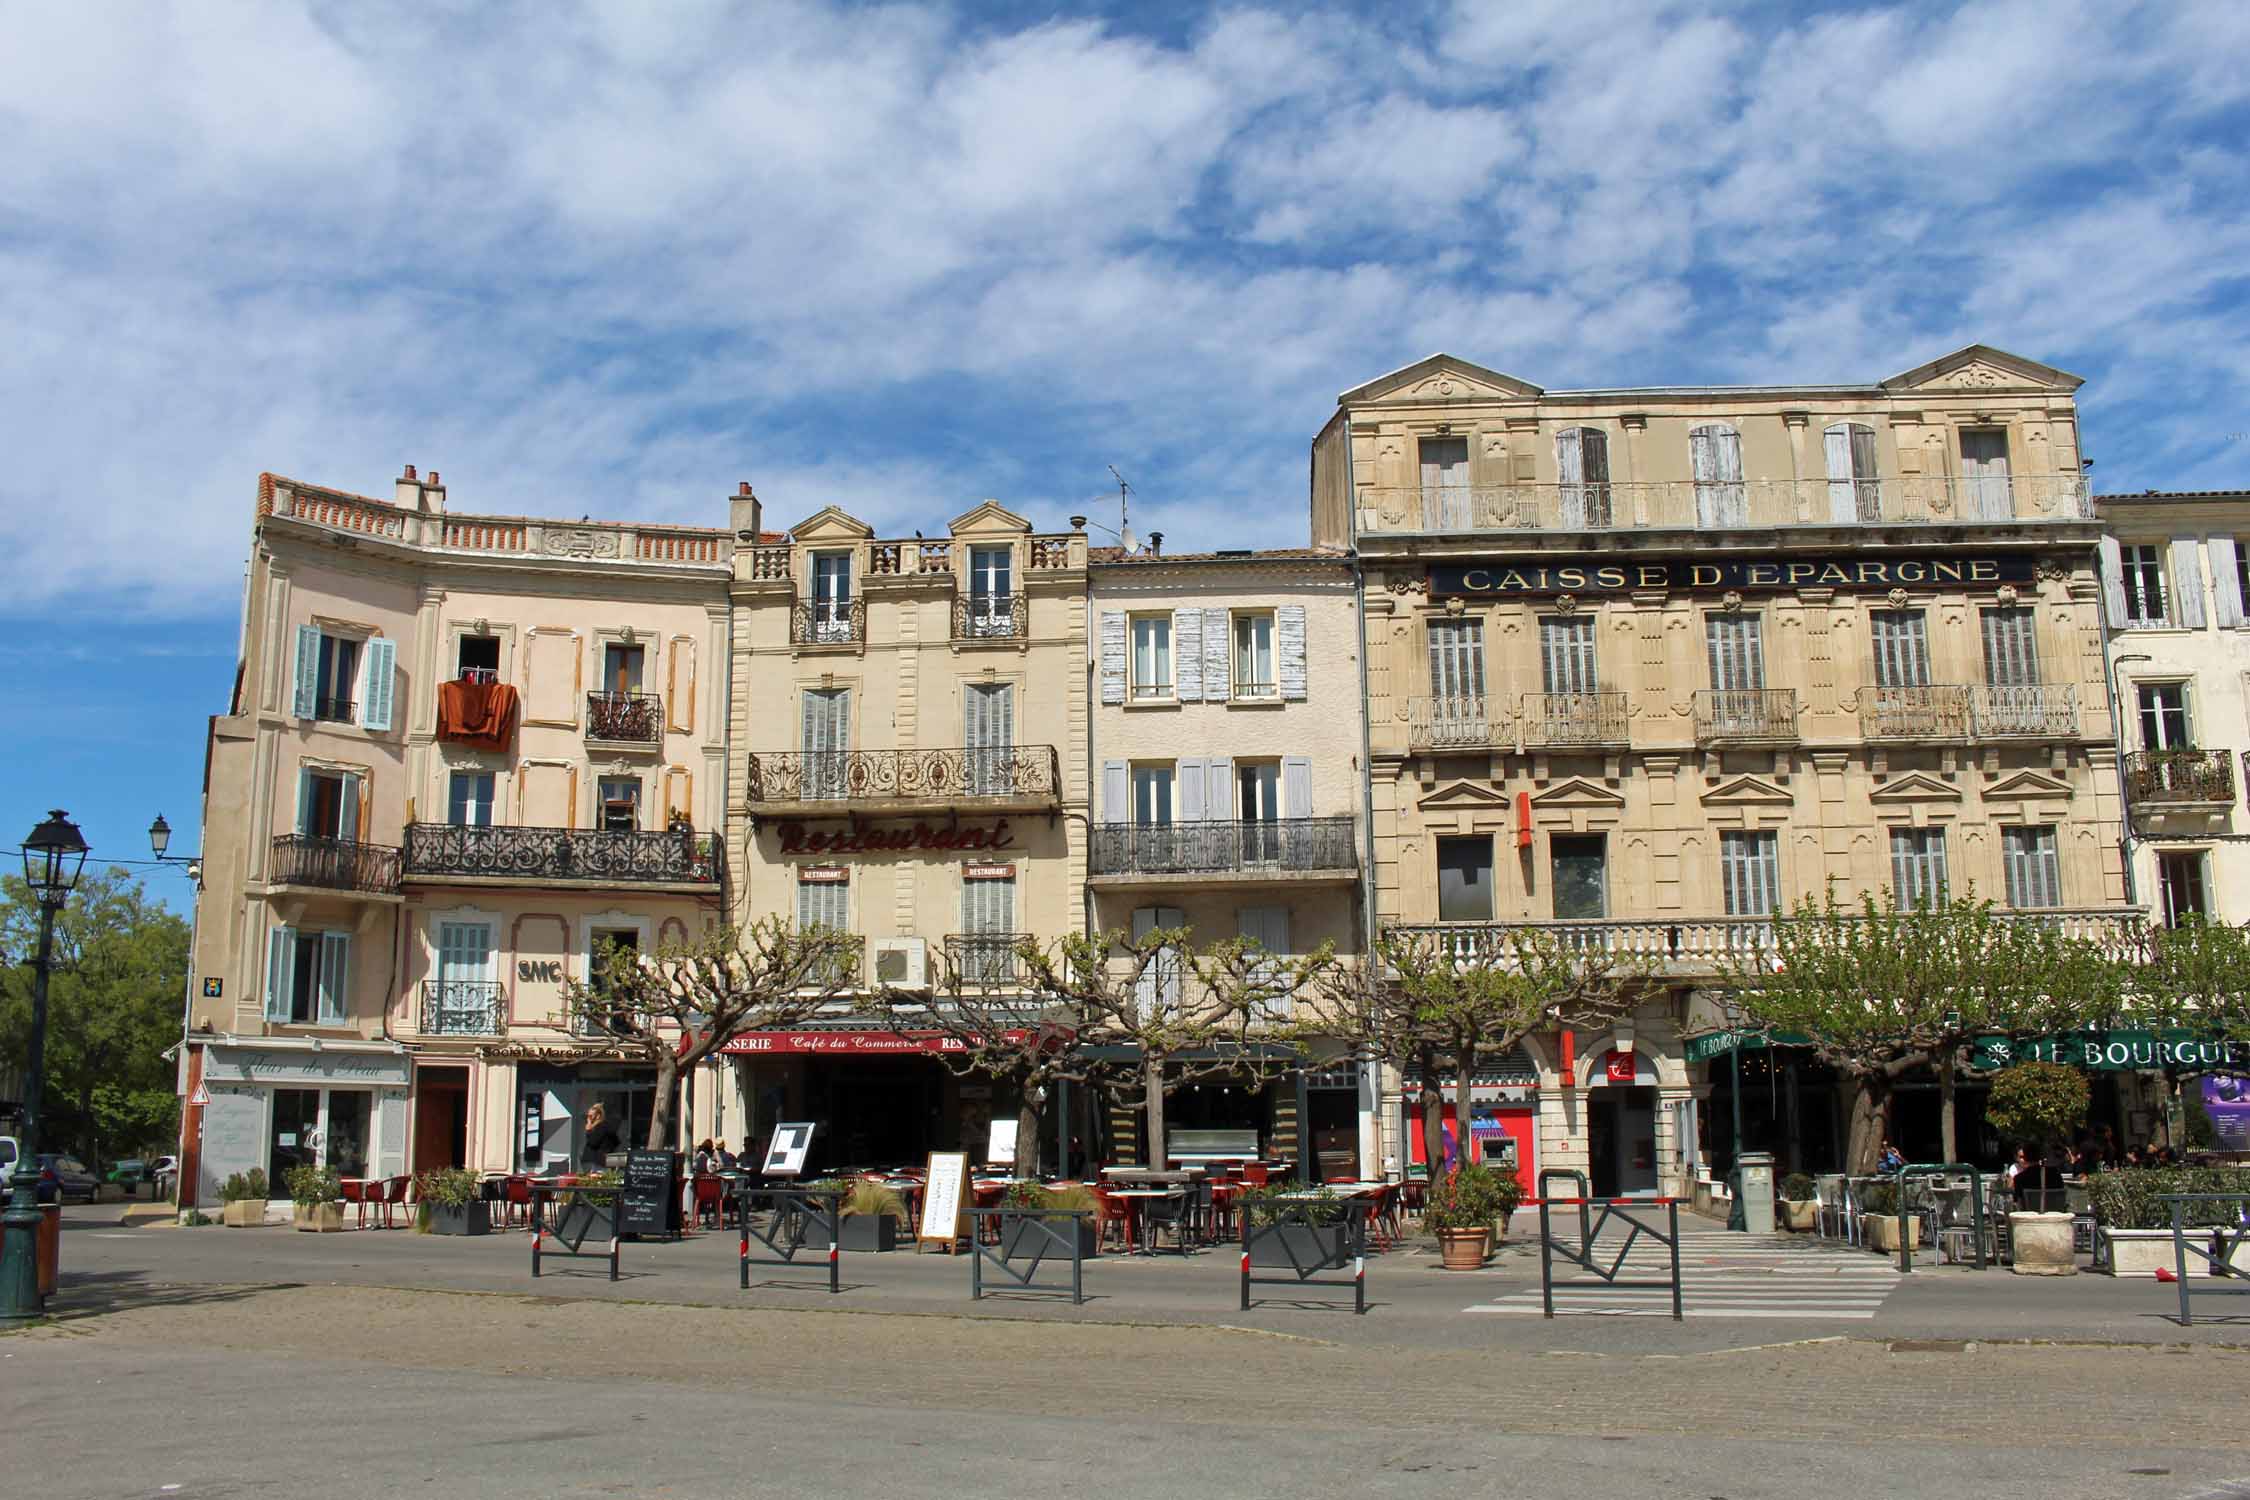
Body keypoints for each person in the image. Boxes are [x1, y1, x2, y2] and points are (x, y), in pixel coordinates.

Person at [581, 1101, 620, 1170]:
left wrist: (588, 1130)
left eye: (590, 1116)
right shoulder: (604, 1126)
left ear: (598, 1116)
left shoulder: (600, 1127)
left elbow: (593, 1142)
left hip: (596, 1161)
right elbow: (616, 1141)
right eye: (588, 1116)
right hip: (599, 1161)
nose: (588, 1119)